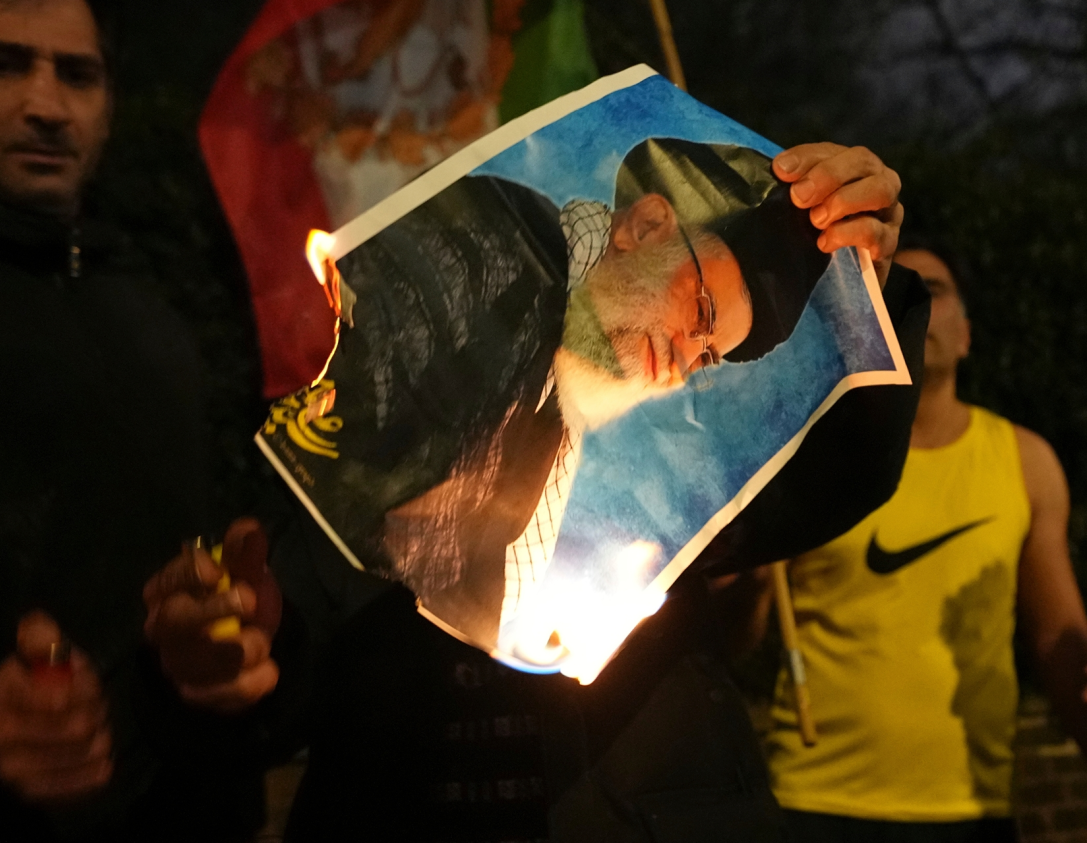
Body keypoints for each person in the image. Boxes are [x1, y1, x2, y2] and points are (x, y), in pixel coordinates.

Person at [146, 140, 934, 841]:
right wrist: (241, 646)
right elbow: (302, 607)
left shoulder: (670, 458)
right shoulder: (473, 270)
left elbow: (837, 478)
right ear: (646, 224)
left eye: (705, 354)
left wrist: (861, 282)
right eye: (698, 310)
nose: (683, 359)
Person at [0, 0, 288, 839]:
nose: (47, 104)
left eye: (78, 74)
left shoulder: (127, 282)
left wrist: (231, 632)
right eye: (1, 64)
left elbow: (194, 540)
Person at [740, 245, 1087, 842]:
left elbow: (1060, 643)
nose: (916, 298)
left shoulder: (1027, 462)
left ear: (967, 335)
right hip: (813, 801)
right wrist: (739, 583)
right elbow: (738, 637)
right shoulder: (805, 458)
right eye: (899, 285)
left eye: (936, 288)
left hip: (971, 808)